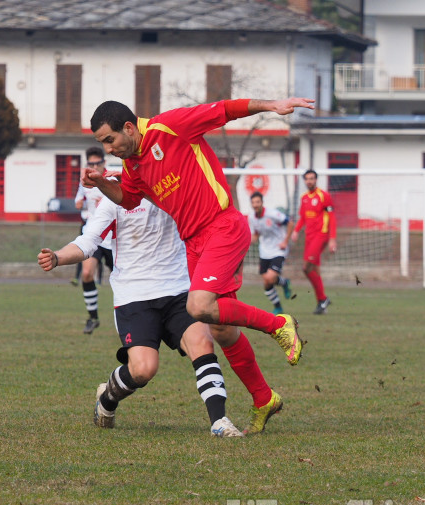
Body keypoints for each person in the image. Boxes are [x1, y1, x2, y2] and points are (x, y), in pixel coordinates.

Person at [83, 97, 314, 368]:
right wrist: (100, 184)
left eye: (110, 140)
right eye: (102, 143)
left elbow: (224, 110)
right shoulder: (132, 164)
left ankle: (278, 324)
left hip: (221, 227)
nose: (108, 149)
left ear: (129, 128)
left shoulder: (171, 125)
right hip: (193, 243)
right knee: (219, 327)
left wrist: (271, 105)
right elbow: (130, 199)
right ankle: (264, 399)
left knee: (198, 307)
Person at [39, 197, 247, 437]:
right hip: (134, 297)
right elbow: (87, 242)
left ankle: (219, 421)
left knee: (202, 342)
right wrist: (57, 257)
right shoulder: (113, 200)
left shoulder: (172, 191)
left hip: (179, 290)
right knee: (143, 370)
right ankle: (107, 398)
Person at [72, 147, 116, 334]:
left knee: (121, 279)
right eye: (91, 163)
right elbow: (78, 201)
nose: (95, 166)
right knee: (87, 274)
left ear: (104, 163)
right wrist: (80, 203)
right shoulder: (85, 182)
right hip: (94, 235)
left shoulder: (113, 179)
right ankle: (93, 317)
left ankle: (128, 315)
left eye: (98, 163)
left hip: (113, 237)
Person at [290, 169, 337, 315]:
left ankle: (323, 298)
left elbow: (332, 217)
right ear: (304, 181)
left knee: (306, 268)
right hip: (309, 238)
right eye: (307, 179)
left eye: (312, 178)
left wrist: (332, 239)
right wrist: (296, 230)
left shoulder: (324, 196)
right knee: (314, 270)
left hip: (321, 235)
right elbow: (303, 217)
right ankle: (321, 303)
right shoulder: (304, 198)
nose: (309, 181)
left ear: (316, 180)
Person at [248, 191, 294, 315]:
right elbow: (256, 234)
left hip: (279, 249)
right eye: (253, 202)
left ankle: (282, 287)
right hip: (264, 251)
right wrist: (247, 242)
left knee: (270, 277)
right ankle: (278, 303)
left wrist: (285, 241)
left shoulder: (272, 214)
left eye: (257, 202)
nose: (255, 205)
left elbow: (289, 222)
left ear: (262, 202)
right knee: (267, 281)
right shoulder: (252, 217)